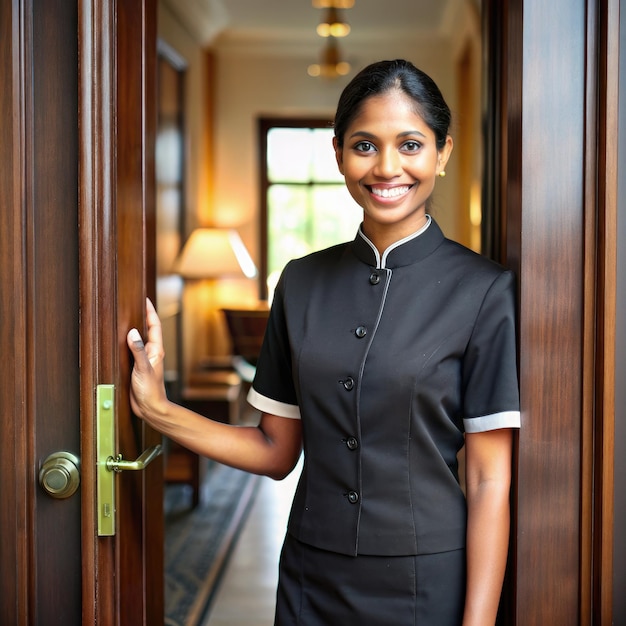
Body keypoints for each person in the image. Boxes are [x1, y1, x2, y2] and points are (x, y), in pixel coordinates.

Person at [127, 59, 520, 626]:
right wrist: (159, 412)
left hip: (427, 584)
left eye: (410, 145)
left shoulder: (484, 291)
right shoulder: (300, 282)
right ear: (338, 154)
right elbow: (276, 451)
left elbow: (488, 481)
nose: (387, 167)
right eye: (365, 145)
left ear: (443, 153)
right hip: (312, 578)